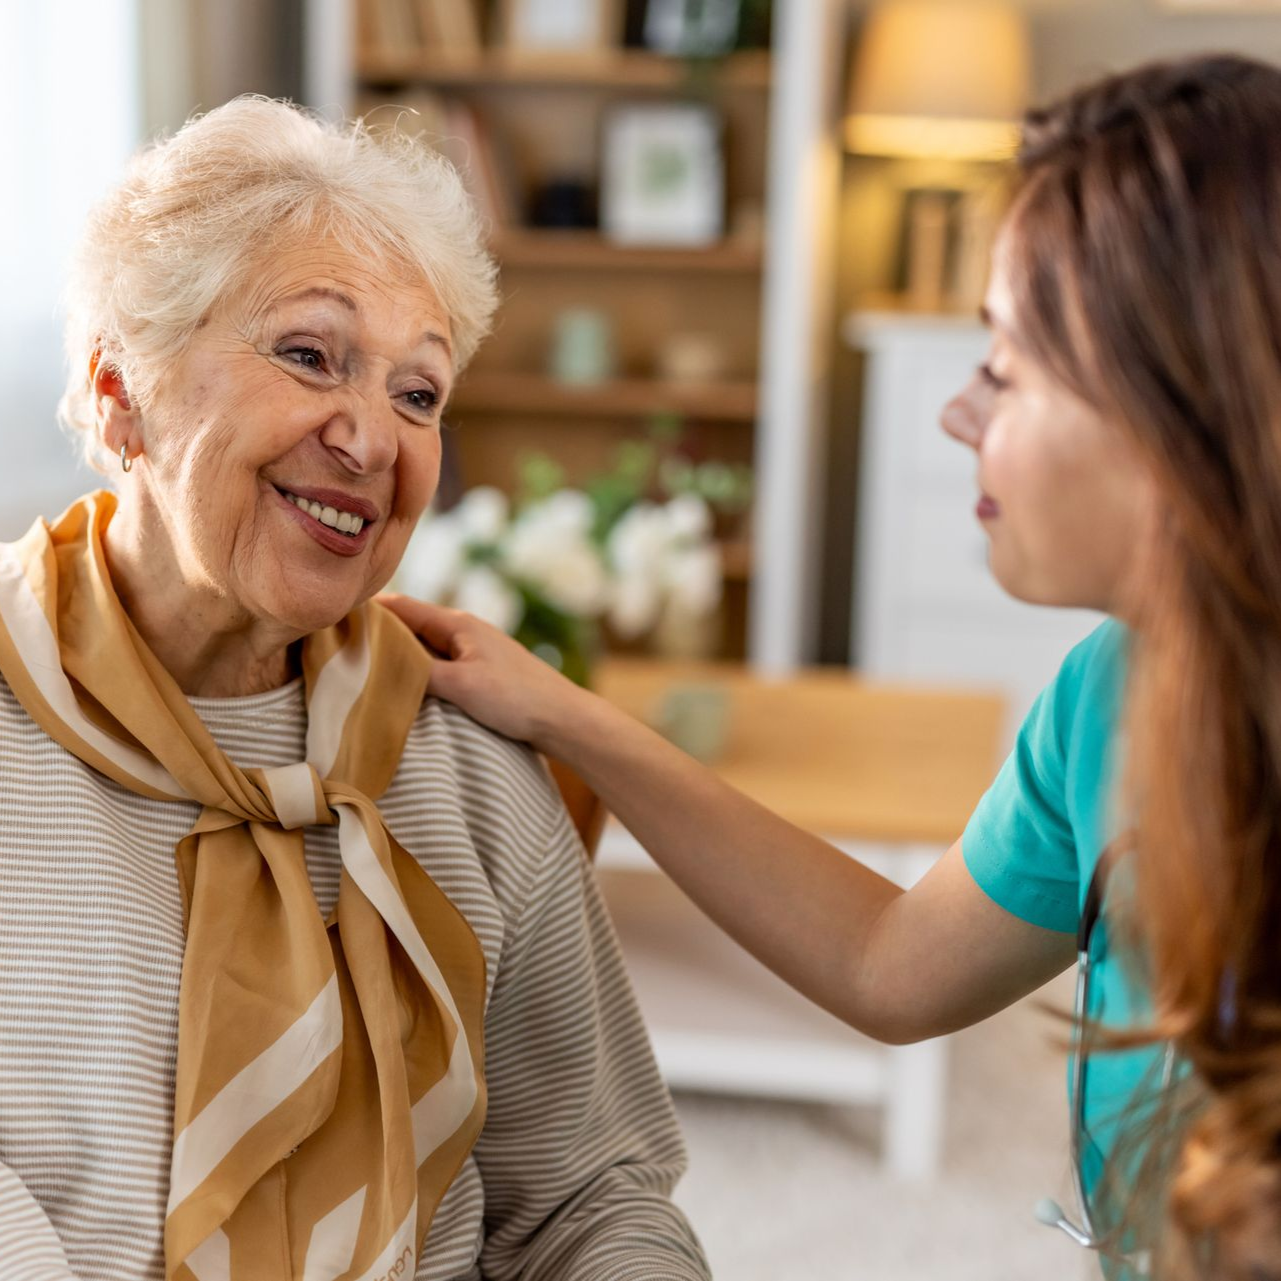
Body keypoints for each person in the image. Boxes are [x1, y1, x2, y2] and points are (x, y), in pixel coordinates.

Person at [384, 54, 1281, 1279]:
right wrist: (569, 716)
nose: (958, 413)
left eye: (1006, 370)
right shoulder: (1110, 687)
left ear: (1179, 404)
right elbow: (893, 964)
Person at [0, 97, 710, 1281]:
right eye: (310, 355)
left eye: (418, 393)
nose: (374, 440)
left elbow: (591, 1194)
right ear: (121, 388)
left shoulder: (472, 765)